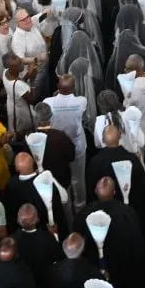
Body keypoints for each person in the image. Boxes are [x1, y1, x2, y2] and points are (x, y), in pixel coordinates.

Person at [43, 75, 89, 207]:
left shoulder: (48, 101)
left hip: (58, 146)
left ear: (57, 87)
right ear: (74, 88)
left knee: (61, 175)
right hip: (77, 144)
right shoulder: (81, 101)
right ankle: (80, 203)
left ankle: (65, 202)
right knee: (79, 176)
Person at [14, 203, 65, 288]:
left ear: (18, 220)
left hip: (23, 284)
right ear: (37, 219)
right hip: (45, 282)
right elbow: (58, 256)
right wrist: (55, 235)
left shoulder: (12, 240)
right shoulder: (47, 238)